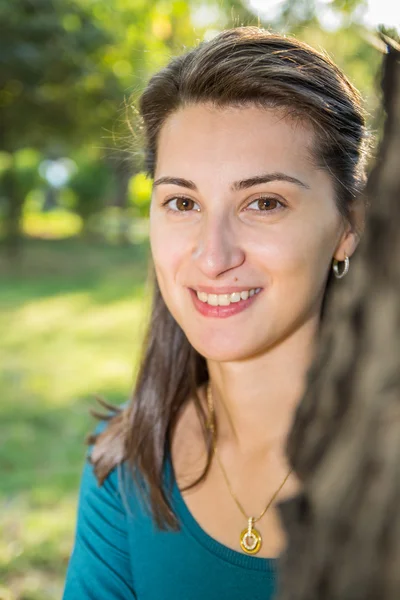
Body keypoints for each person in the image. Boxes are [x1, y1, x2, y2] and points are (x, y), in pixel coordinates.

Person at [63, 26, 370, 600]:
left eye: (263, 202)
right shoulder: (124, 460)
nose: (213, 255)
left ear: (348, 225)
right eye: (182, 202)